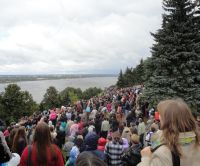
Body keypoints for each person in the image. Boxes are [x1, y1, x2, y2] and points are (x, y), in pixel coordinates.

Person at [138, 99, 200, 166]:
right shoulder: (197, 142)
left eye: (160, 114)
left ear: (167, 121)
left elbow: (147, 141)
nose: (159, 117)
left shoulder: (163, 153)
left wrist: (145, 159)